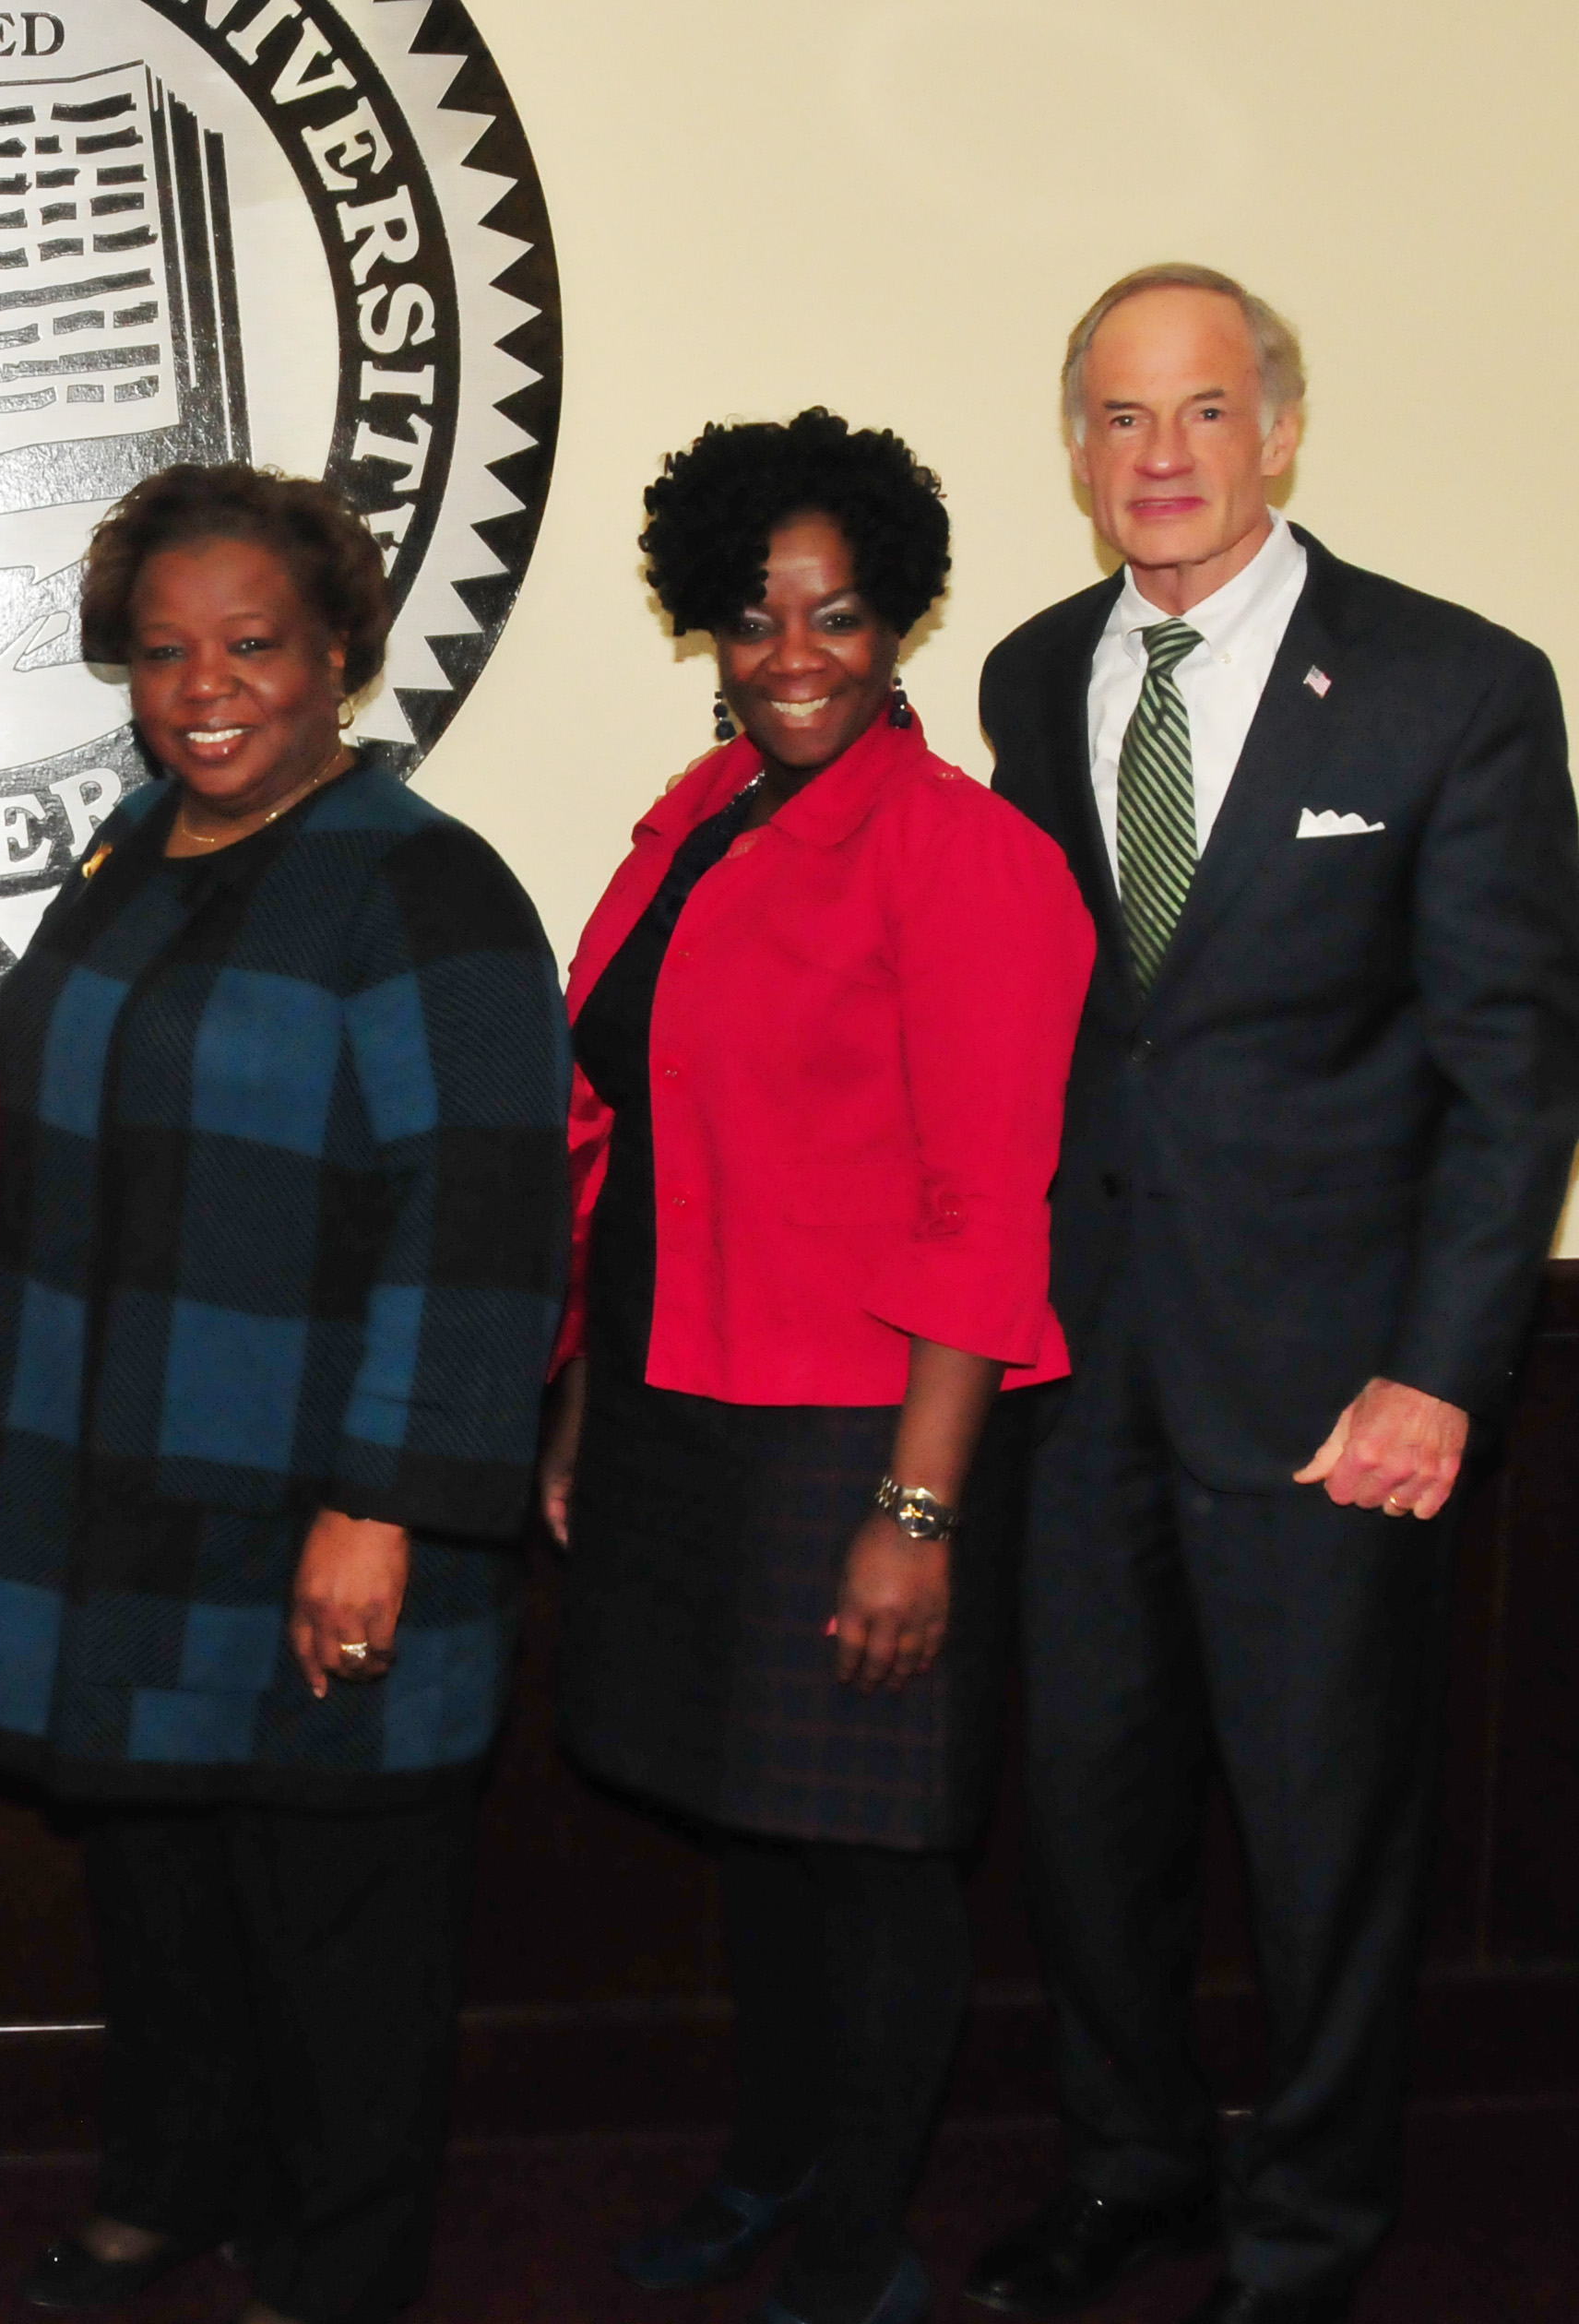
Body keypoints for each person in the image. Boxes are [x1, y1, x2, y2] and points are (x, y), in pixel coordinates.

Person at [961, 268, 1579, 2324]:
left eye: (1205, 412)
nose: (1161, 459)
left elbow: (1513, 1074)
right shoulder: (1038, 679)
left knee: (1326, 1853)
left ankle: (1311, 2235)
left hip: (1331, 1401)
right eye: (1121, 418)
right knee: (1090, 1819)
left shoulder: (1453, 688)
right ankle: (1136, 2167)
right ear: (1075, 448)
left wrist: (1439, 1372)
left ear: (1283, 429)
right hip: (1080, 1379)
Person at [0, 464, 568, 2324]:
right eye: (162, 652)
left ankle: (343, 2259)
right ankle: (174, 2183)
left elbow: (482, 1224)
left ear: (340, 658)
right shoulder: (132, 850)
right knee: (164, 1899)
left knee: (342, 1942)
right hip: (123, 1493)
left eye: (252, 646)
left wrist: (380, 1508)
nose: (204, 685)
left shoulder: (426, 886)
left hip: (324, 1508)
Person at [538, 412, 1093, 2324]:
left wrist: (915, 1513)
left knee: (869, 1862)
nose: (796, 655)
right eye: (759, 615)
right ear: (707, 616)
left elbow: (985, 1212)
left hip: (864, 1430)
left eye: (839, 616)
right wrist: (591, 1396)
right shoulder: (691, 820)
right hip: (685, 1406)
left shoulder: (968, 861)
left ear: (899, 622)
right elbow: (630, 1132)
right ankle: (772, 2171)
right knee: (758, 1838)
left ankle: (864, 2248)